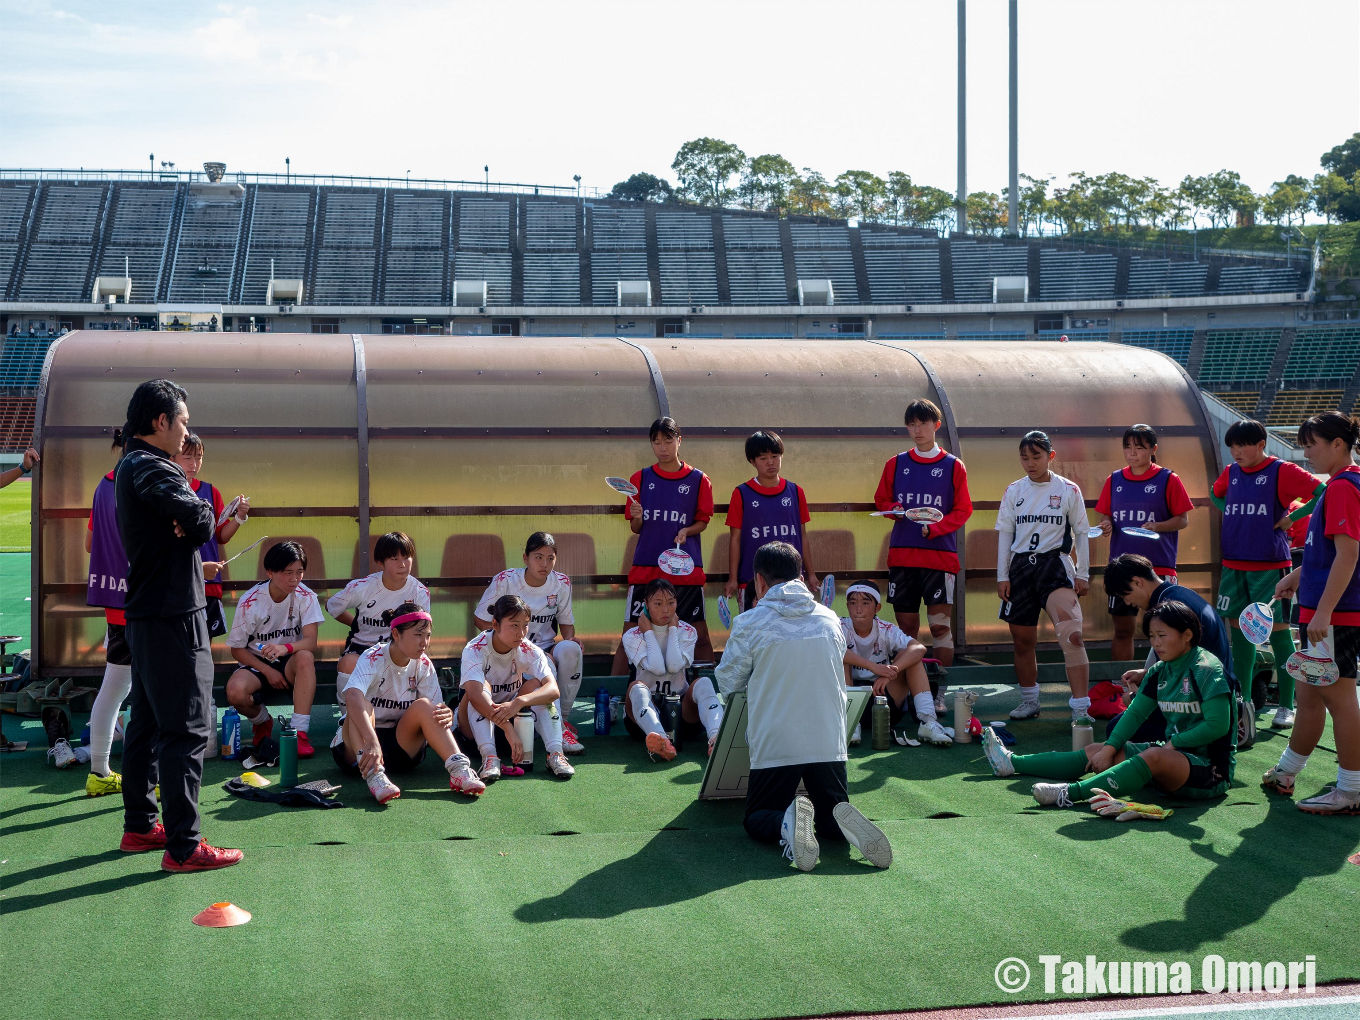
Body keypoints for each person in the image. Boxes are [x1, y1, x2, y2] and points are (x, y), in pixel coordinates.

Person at [114, 378, 241, 872]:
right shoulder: (150, 465)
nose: (188, 431)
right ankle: (184, 847)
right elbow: (204, 522)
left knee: (146, 724)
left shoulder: (135, 465)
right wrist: (197, 514)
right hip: (172, 618)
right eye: (183, 420)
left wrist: (190, 519)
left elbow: (192, 522)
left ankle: (141, 825)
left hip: (149, 614)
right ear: (161, 421)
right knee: (186, 730)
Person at [716, 542, 891, 872]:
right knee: (829, 819)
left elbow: (729, 684)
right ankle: (836, 820)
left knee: (756, 818)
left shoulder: (749, 622)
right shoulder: (829, 619)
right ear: (800, 576)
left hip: (777, 742)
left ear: (759, 582)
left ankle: (786, 820)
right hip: (830, 741)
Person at [982, 601, 1237, 812]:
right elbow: (1136, 713)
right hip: (1174, 756)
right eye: (1151, 637)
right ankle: (1013, 763)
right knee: (1097, 750)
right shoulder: (1160, 670)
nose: (1156, 644)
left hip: (1211, 770)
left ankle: (1069, 793)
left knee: (1154, 755)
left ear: (1187, 635)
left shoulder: (1206, 669)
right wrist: (1110, 748)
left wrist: (1175, 744)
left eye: (1162, 636)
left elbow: (1217, 725)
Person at [1264, 412, 1360, 814]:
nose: (1305, 454)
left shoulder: (1342, 487)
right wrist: (1300, 575)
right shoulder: (1342, 484)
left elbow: (1349, 553)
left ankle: (1352, 789)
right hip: (1324, 612)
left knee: (1339, 700)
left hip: (1332, 617)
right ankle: (1286, 772)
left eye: (1311, 444)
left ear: (1338, 444)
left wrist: (1322, 613)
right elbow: (1334, 551)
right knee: (1308, 696)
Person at [1211, 419, 1322, 730]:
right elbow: (1215, 493)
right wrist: (1230, 507)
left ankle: (1286, 705)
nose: (1235, 451)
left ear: (1261, 444)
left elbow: (1322, 492)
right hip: (1233, 565)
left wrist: (1291, 519)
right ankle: (1244, 702)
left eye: (1242, 445)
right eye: (1231, 446)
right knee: (1241, 634)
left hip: (1270, 567)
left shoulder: (1281, 469)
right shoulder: (1231, 472)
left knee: (1278, 634)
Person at [333, 601, 485, 802]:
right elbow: (351, 696)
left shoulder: (423, 664)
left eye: (427, 635)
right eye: (417, 635)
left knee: (425, 706)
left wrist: (445, 713)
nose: (424, 642)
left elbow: (435, 709)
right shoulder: (373, 657)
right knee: (361, 704)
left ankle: (460, 770)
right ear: (396, 634)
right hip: (357, 747)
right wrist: (371, 741)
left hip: (399, 746)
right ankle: (375, 776)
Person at [996, 431, 1092, 723]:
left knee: (1073, 636)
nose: (1030, 463)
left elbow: (1082, 532)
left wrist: (1084, 573)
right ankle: (1029, 701)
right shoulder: (1014, 490)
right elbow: (1005, 533)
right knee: (1022, 641)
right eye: (1024, 457)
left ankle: (1080, 709)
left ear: (1051, 456)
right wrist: (1002, 575)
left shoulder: (1068, 490)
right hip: (1021, 569)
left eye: (1036, 456)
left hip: (1055, 566)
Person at [611, 416, 714, 676]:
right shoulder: (641, 478)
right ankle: (613, 697)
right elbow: (636, 528)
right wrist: (637, 516)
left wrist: (686, 531)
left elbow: (702, 521)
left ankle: (709, 690)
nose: (662, 448)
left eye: (668, 440)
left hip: (684, 570)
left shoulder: (700, 480)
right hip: (646, 571)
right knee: (629, 637)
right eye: (656, 442)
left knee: (700, 635)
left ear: (679, 440)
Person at [873, 399, 972, 667]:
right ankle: (910, 690)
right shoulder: (895, 463)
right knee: (905, 630)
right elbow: (881, 500)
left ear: (936, 426)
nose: (917, 430)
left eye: (923, 423)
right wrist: (893, 509)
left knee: (940, 628)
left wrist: (937, 528)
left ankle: (940, 692)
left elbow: (963, 510)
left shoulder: (953, 466)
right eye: (911, 424)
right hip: (903, 557)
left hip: (939, 559)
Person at [474, 532, 584, 754]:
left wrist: (567, 641)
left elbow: (566, 624)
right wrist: (505, 645)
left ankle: (561, 722)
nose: (545, 564)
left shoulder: (561, 582)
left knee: (572, 649)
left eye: (550, 558)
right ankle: (558, 731)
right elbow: (480, 618)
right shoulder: (506, 580)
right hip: (509, 648)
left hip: (544, 649)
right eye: (538, 557)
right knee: (546, 667)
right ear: (525, 558)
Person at [1093, 424, 1194, 662]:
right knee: (1123, 630)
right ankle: (1121, 686)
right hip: (1121, 569)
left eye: (1139, 447)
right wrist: (1106, 523)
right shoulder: (1114, 479)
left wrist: (1158, 526)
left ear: (1153, 449)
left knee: (1166, 630)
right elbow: (1105, 514)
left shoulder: (1168, 479)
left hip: (1158, 568)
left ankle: (1165, 685)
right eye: (1127, 447)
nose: (1132, 452)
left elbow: (1182, 520)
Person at [457, 594, 576, 782]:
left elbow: (553, 690)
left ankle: (556, 754)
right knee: (479, 689)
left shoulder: (528, 649)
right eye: (514, 625)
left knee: (538, 687)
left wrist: (519, 702)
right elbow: (473, 694)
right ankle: (489, 758)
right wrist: (507, 728)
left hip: (513, 724)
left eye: (525, 625)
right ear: (495, 625)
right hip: (474, 730)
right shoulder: (475, 648)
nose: (521, 632)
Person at [224, 541, 323, 757]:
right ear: (270, 572)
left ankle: (300, 734)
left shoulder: (306, 596)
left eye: (299, 572)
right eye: (288, 573)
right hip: (257, 664)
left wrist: (284, 648)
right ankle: (262, 721)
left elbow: (310, 641)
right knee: (235, 691)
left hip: (290, 661)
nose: (294, 579)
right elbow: (237, 650)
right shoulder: (250, 601)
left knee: (305, 656)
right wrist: (268, 671)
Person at [76, 430, 131, 794]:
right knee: (154, 693)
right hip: (148, 605)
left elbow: (89, 544)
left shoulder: (102, 484)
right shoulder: (143, 482)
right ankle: (155, 778)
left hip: (116, 604)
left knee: (114, 687)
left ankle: (99, 771)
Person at [621, 578, 724, 759]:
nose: (666, 609)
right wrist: (648, 632)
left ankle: (716, 738)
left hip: (682, 712)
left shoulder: (688, 631)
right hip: (642, 716)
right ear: (646, 604)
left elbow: (674, 665)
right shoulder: (632, 635)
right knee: (636, 687)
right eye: (658, 603)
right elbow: (657, 668)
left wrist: (674, 630)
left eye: (671, 602)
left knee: (704, 682)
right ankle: (661, 741)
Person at [839, 580, 950, 747]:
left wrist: (889, 674)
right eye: (853, 603)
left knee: (912, 657)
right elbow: (835, 652)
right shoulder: (838, 626)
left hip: (884, 699)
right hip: (850, 699)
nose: (858, 609)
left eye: (865, 603)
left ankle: (928, 722)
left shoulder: (886, 629)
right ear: (847, 606)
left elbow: (919, 648)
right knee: (839, 654)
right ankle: (850, 723)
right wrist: (875, 668)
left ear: (877, 608)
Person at [327, 531, 431, 705]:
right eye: (394, 559)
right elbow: (332, 606)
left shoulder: (419, 592)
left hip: (399, 650)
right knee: (347, 664)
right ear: (380, 563)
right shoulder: (363, 587)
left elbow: (422, 630)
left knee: (420, 666)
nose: (402, 564)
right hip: (362, 646)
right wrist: (355, 623)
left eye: (406, 557)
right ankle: (347, 722)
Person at [724, 430, 816, 612]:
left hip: (791, 580)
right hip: (751, 580)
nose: (770, 462)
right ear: (752, 461)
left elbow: (802, 536)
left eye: (775, 456)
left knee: (791, 633)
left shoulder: (796, 492)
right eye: (763, 458)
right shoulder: (741, 493)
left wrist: (811, 574)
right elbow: (735, 539)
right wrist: (733, 578)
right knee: (753, 633)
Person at [173, 432, 249, 637]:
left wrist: (239, 517)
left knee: (204, 647)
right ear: (173, 457)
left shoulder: (210, 491)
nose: (194, 464)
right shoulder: (167, 491)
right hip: (176, 583)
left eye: (198, 457)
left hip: (209, 584)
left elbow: (221, 536)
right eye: (187, 457)